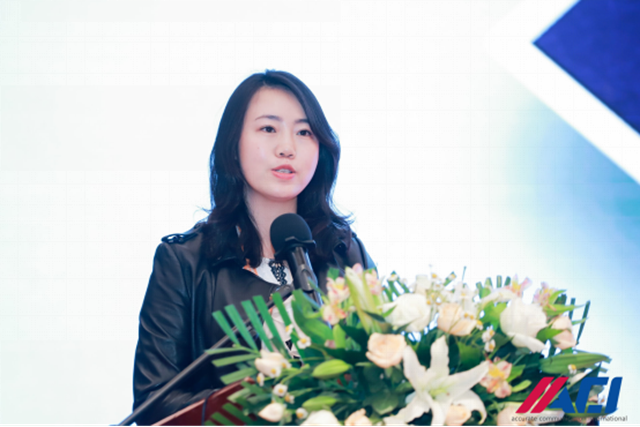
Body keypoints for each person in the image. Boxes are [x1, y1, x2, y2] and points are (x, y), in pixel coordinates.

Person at [132, 70, 375, 425]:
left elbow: (380, 373)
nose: (287, 147)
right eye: (268, 128)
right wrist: (267, 401)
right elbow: (154, 403)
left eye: (304, 132)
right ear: (233, 144)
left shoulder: (345, 254)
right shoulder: (184, 262)